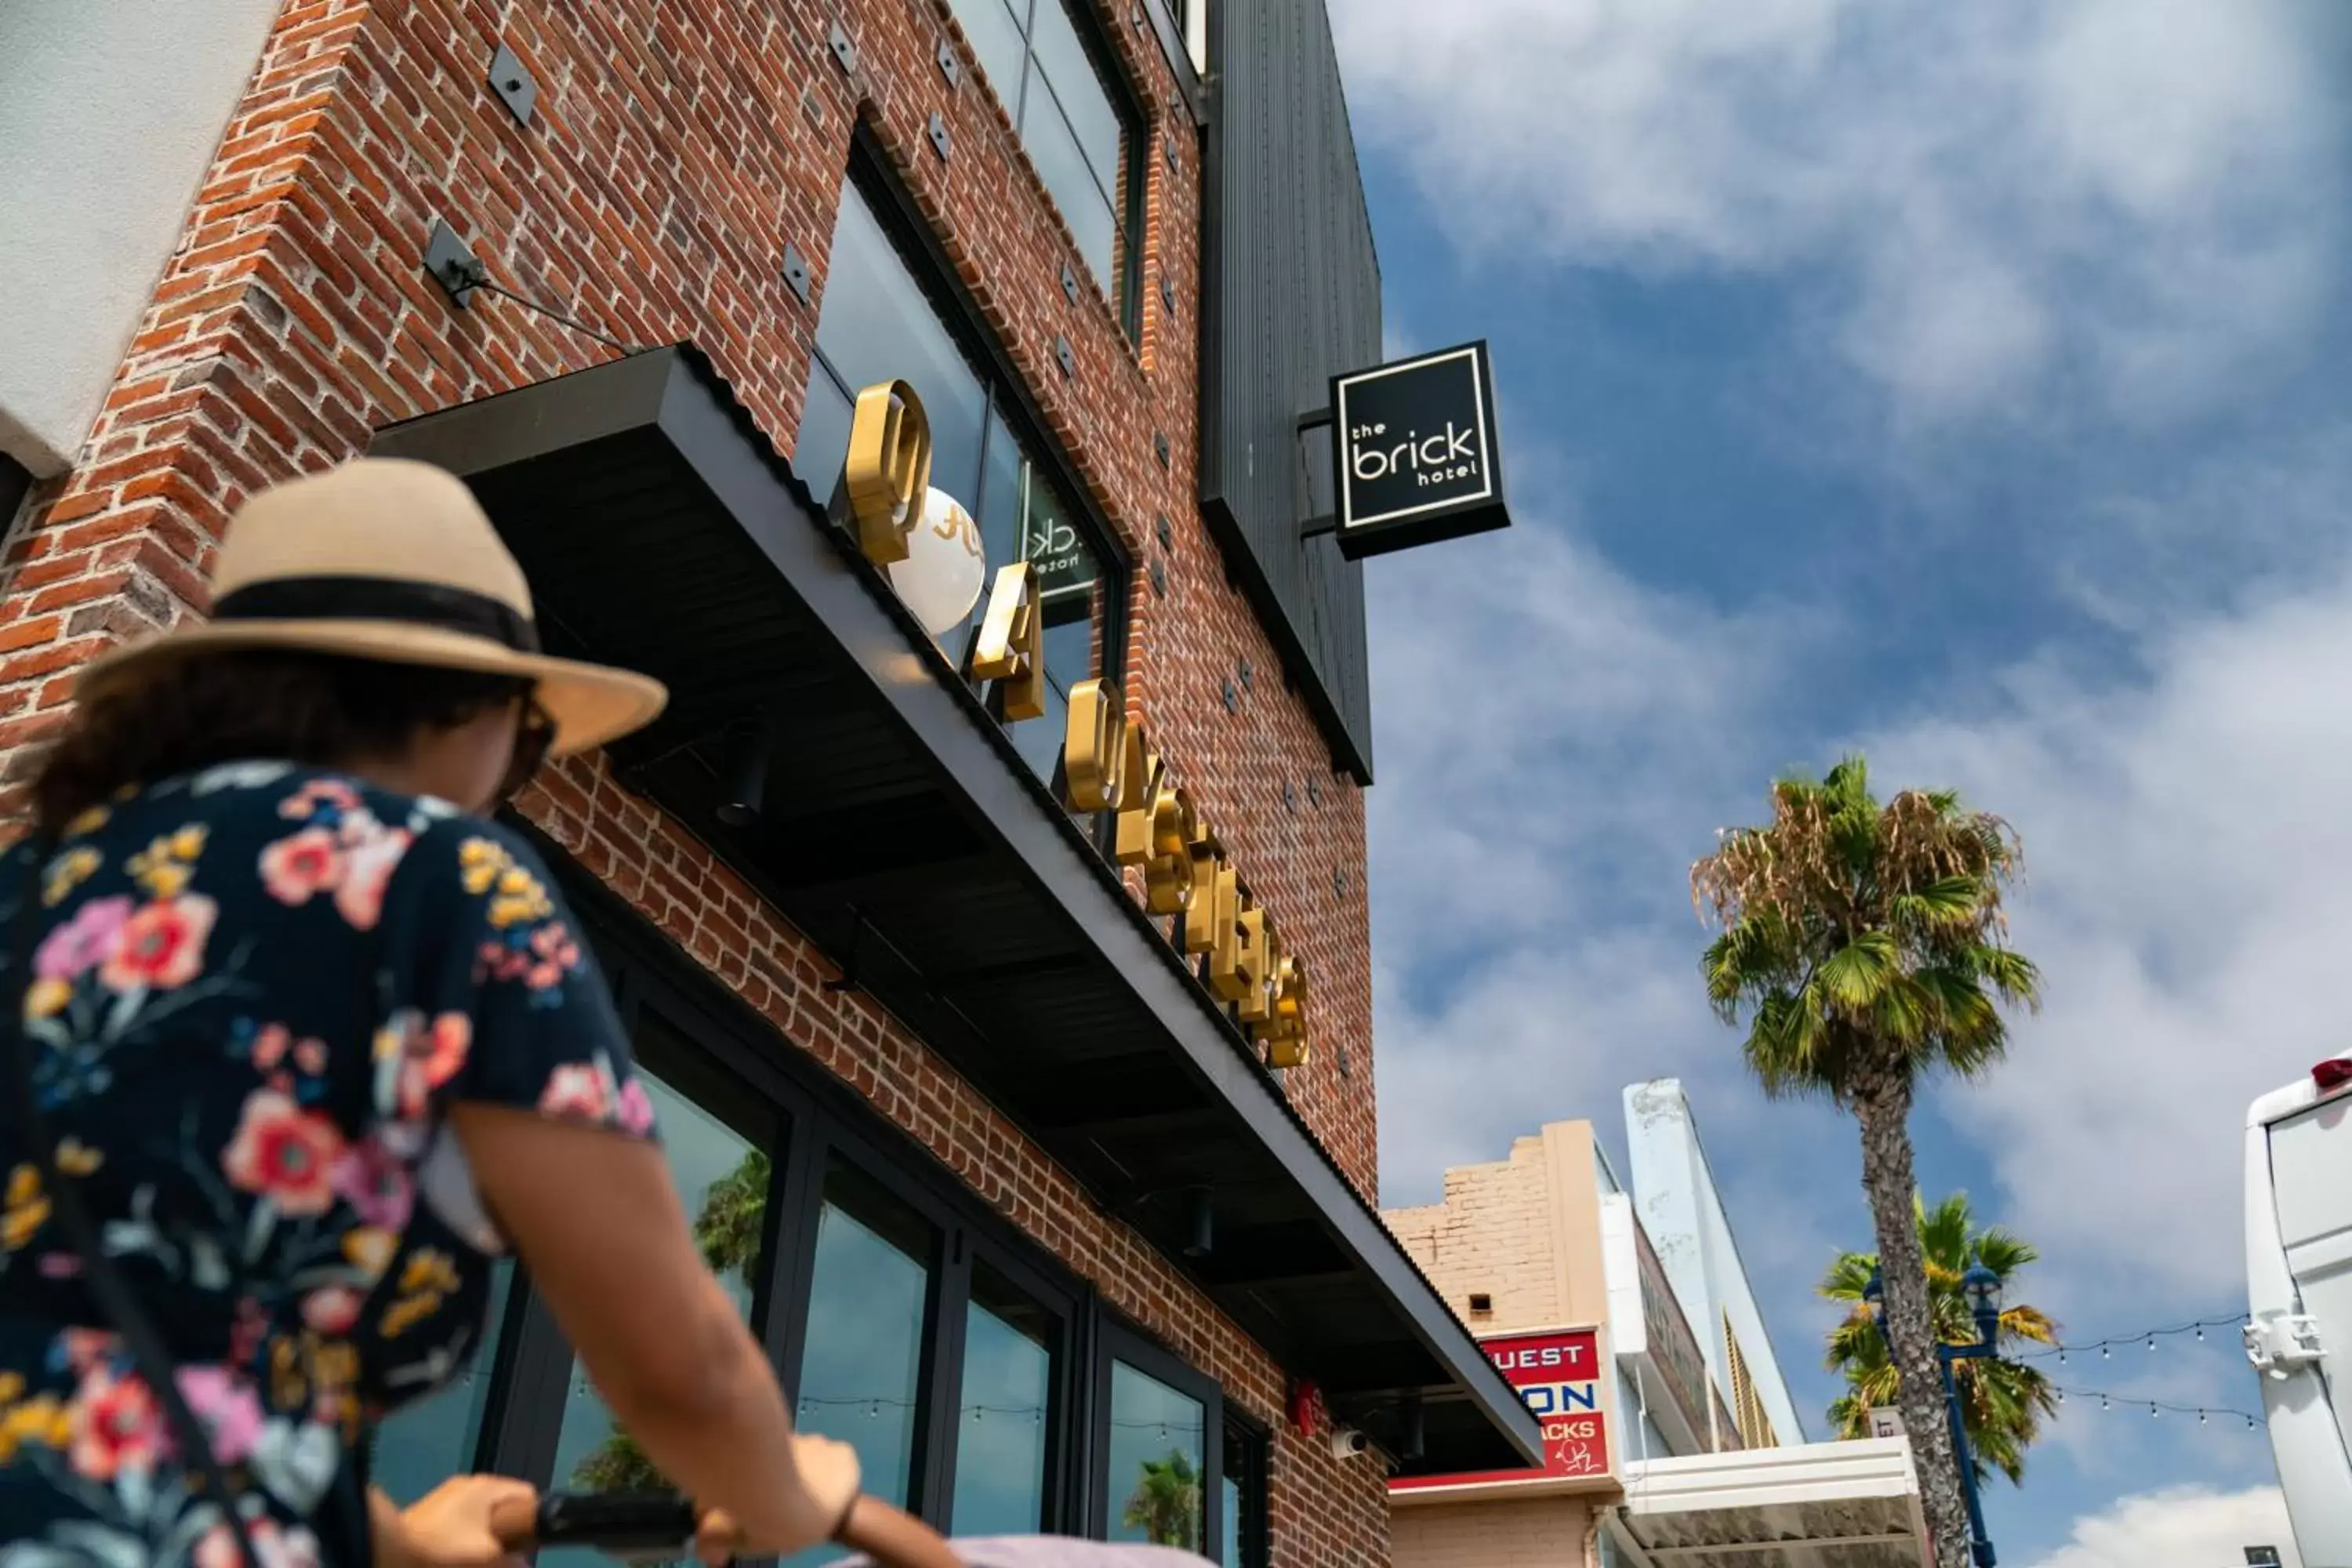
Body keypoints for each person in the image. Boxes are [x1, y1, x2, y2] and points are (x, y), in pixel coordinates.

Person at [0, 459, 860, 1567]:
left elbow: (118, 1385)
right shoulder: (438, 877)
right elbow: (676, 1366)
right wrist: (790, 1493)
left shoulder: (37, 884)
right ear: (464, 708)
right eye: (532, 738)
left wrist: (405, 1543)